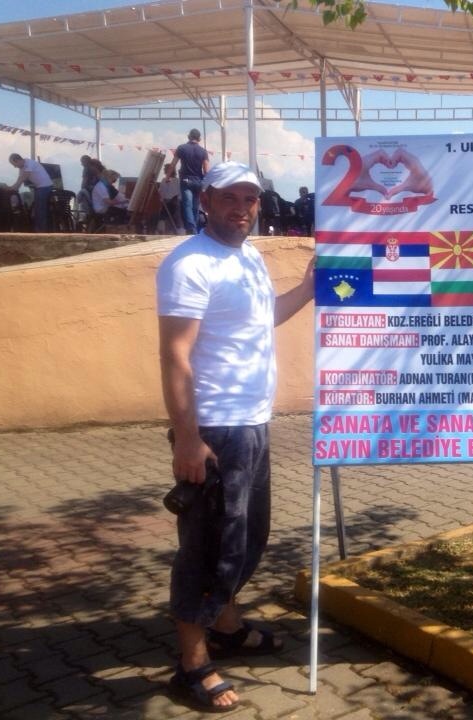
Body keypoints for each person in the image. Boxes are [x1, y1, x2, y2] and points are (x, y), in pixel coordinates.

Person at [156, 161, 314, 713]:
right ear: (205, 201)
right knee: (207, 547)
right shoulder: (189, 264)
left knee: (246, 539)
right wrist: (187, 438)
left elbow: (261, 319)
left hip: (252, 421)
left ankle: (225, 626)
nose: (241, 208)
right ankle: (192, 665)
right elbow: (174, 356)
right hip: (215, 428)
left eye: (250, 198)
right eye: (229, 198)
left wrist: (308, 289)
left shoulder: (249, 257)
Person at [172, 128, 210, 234]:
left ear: (189, 137)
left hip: (186, 180)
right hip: (198, 181)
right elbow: (206, 170)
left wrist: (167, 177)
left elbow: (173, 164)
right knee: (195, 205)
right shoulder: (203, 151)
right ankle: (195, 228)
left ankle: (191, 227)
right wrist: (207, 183)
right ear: (199, 139)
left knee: (187, 204)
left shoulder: (181, 148)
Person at [8, 153, 53, 232]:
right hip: (40, 187)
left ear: (18, 160)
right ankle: (38, 229)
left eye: (14, 164)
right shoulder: (22, 168)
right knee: (36, 210)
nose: (14, 166)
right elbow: (19, 181)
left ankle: (41, 232)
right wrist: (12, 189)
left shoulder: (29, 163)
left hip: (44, 187)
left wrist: (11, 189)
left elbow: (22, 179)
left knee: (40, 210)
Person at [158, 163, 182, 233]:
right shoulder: (177, 181)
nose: (164, 171)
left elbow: (161, 192)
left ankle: (170, 231)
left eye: (165, 169)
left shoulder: (166, 180)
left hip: (171, 202)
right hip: (173, 202)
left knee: (169, 219)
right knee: (173, 220)